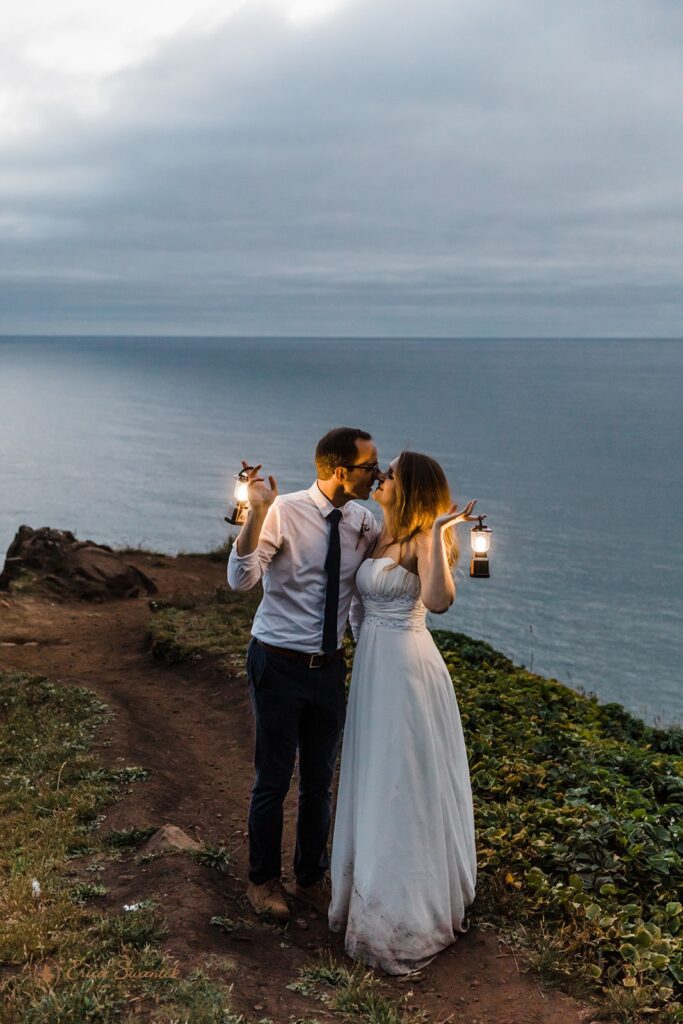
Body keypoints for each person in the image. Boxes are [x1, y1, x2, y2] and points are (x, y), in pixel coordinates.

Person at [328, 450, 478, 974]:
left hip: (408, 669)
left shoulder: (417, 541)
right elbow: (356, 602)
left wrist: (437, 533)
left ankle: (403, 912)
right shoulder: (379, 535)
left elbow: (438, 601)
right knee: (375, 773)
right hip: (374, 666)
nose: (382, 478)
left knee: (402, 780)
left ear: (408, 486)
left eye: (390, 473)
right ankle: (366, 891)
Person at [227, 427, 381, 921]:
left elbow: (358, 601)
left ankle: (311, 877)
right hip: (277, 663)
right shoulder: (285, 511)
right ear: (340, 470)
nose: (376, 475)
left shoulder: (364, 521)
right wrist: (253, 514)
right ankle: (262, 880)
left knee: (320, 782)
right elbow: (241, 579)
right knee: (273, 778)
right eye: (368, 467)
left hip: (329, 668)